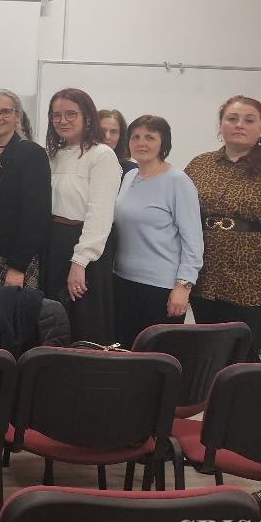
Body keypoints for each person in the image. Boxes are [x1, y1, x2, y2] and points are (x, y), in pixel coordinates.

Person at [185, 96, 261, 362]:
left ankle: (245, 391)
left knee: (242, 356)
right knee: (208, 354)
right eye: (232, 118)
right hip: (206, 277)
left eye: (249, 120)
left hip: (255, 280)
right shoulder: (199, 165)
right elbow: (182, 218)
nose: (239, 124)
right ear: (221, 125)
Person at [112, 115, 204, 348]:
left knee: (155, 356)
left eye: (150, 137)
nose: (141, 142)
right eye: (135, 137)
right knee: (125, 352)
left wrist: (183, 287)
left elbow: (193, 240)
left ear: (163, 143)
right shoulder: (130, 176)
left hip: (160, 288)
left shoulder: (177, 181)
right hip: (122, 281)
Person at [43, 88, 121, 344]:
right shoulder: (52, 155)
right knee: (54, 318)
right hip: (53, 242)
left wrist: (80, 262)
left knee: (84, 319)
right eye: (56, 115)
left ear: (87, 117)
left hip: (85, 246)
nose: (62, 121)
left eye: (70, 114)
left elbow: (100, 214)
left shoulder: (101, 155)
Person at [0, 89, 51, 289]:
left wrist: (18, 267)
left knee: (13, 309)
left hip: (15, 258)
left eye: (5, 111)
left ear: (17, 116)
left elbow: (36, 215)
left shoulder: (32, 154)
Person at [99, 108, 137, 174]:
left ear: (121, 136)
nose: (107, 137)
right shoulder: (82, 162)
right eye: (102, 131)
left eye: (113, 132)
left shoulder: (131, 171)